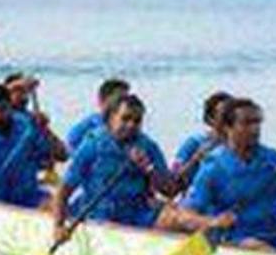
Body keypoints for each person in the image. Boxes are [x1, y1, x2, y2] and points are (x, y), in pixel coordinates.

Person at [52, 94, 225, 237]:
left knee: (179, 218)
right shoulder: (92, 145)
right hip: (98, 214)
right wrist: (59, 226)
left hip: (138, 213)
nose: (131, 125)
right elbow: (63, 190)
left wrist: (148, 168)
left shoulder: (148, 146)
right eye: (125, 119)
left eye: (137, 121)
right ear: (110, 119)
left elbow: (169, 191)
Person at [182, 98, 276, 252]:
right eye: (246, 123)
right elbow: (186, 216)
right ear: (227, 127)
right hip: (238, 239)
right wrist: (213, 222)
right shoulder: (213, 167)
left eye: (257, 123)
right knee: (257, 247)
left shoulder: (273, 159)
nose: (255, 129)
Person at [171, 90, 231, 190]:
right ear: (210, 118)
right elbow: (173, 177)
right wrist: (195, 158)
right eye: (222, 114)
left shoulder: (242, 145)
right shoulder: (194, 142)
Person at [66, 77, 130, 151]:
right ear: (101, 101)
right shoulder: (87, 128)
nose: (124, 104)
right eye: (119, 100)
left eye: (127, 99)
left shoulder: (131, 127)